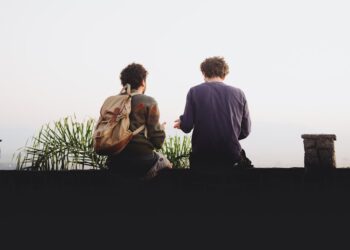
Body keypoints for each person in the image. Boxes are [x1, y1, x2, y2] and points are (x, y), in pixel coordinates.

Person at [174, 56, 251, 170]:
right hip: (231, 157)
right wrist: (228, 135)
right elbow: (245, 131)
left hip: (202, 157)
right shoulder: (239, 93)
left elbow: (187, 126)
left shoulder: (194, 91)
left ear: (204, 72)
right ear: (224, 73)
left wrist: (182, 123)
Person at [106, 63, 172, 179]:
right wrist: (161, 129)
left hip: (114, 161)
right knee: (166, 163)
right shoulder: (148, 101)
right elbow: (158, 142)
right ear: (143, 82)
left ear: (124, 83)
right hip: (142, 161)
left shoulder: (112, 102)